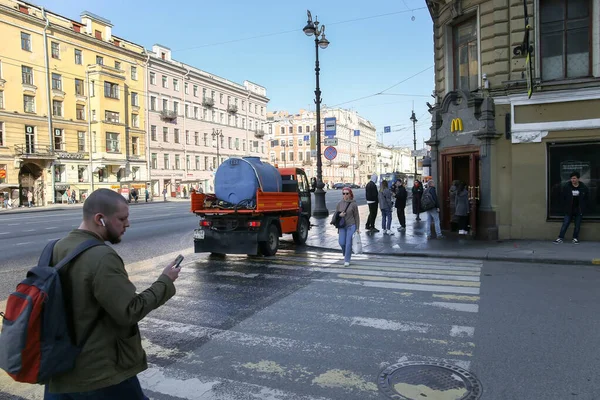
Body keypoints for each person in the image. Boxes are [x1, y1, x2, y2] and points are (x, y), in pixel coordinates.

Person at [43, 188, 180, 400]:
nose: (127, 224)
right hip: (99, 373)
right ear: (100, 219)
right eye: (122, 218)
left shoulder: (54, 248)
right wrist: (165, 281)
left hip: (58, 369)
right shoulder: (102, 257)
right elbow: (129, 311)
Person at [554, 171, 589, 244]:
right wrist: (564, 206)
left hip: (579, 209)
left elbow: (586, 198)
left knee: (577, 225)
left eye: (574, 178)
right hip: (569, 209)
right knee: (565, 223)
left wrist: (583, 207)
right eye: (572, 178)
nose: (573, 180)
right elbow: (562, 197)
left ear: (578, 179)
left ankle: (575, 238)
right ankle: (560, 238)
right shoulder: (567, 187)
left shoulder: (583, 187)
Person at [334, 187, 360, 267]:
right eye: (343, 193)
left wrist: (357, 228)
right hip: (342, 226)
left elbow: (356, 216)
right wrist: (339, 215)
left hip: (351, 225)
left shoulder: (353, 204)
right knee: (341, 242)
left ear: (350, 194)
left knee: (348, 243)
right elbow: (336, 214)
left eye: (347, 193)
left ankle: (347, 260)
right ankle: (346, 252)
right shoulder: (339, 203)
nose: (345, 195)